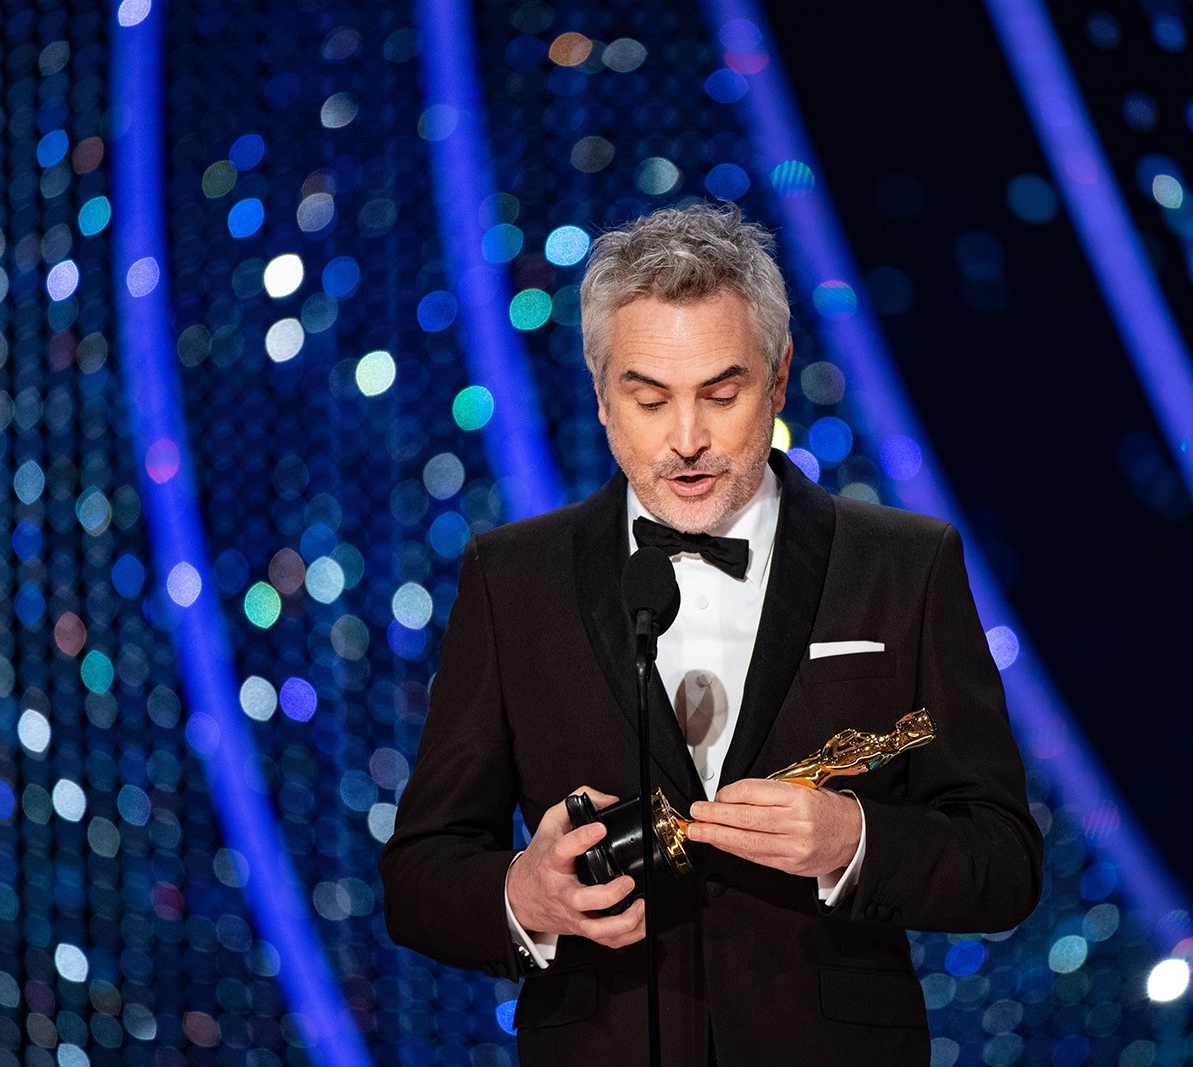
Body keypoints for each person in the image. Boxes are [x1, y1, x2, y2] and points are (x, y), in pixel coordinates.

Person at [381, 205, 1042, 1066]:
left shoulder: (906, 563)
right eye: (648, 397)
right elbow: (418, 874)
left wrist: (855, 840)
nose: (686, 440)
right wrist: (521, 893)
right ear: (600, 393)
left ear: (777, 379)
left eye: (721, 395)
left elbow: (1005, 861)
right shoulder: (512, 580)